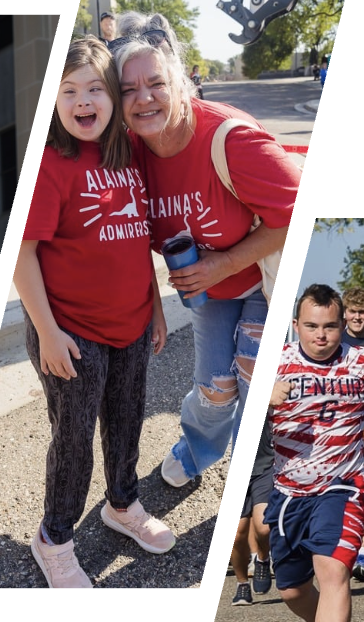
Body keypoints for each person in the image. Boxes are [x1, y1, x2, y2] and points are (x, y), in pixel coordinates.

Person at [109, 14, 299, 488]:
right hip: (209, 292)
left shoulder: (228, 138)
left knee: (258, 378)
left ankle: (268, 475)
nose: (144, 97)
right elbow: (126, 235)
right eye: (128, 90)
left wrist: (224, 264)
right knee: (216, 388)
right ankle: (197, 449)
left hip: (262, 275)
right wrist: (155, 303)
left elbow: (299, 212)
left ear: (181, 82)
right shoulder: (127, 153)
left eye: (155, 83)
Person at [14, 36, 172, 588]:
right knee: (75, 439)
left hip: (130, 324)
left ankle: (122, 504)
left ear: (113, 96)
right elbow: (22, 254)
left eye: (95, 89)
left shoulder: (126, 153)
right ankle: (54, 536)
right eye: (69, 90)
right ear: (53, 100)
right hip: (71, 333)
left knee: (127, 423)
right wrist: (48, 333)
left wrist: (154, 305)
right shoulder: (49, 164)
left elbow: (135, 239)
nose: (84, 101)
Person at [267, 284, 364, 622]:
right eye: (311, 326)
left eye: (329, 326)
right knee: (291, 590)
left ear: (343, 324)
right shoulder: (276, 363)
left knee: (334, 568)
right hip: (288, 492)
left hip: (344, 485)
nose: (321, 335)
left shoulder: (360, 363)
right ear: (295, 326)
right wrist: (263, 401)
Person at [231, 420, 276, 606]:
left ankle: (263, 559)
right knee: (236, 534)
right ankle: (242, 585)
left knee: (263, 527)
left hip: (264, 466)